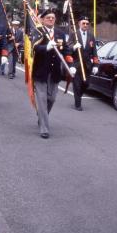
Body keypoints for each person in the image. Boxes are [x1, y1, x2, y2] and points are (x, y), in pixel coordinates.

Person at [32, 8, 74, 139]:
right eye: (48, 18)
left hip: (55, 72)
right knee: (42, 99)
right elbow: (33, 48)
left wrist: (70, 66)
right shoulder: (37, 32)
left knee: (52, 99)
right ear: (43, 20)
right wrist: (46, 47)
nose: (51, 19)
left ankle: (42, 117)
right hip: (40, 71)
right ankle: (44, 128)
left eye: (53, 18)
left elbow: (66, 50)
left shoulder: (60, 34)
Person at [68, 15, 99, 111]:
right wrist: (74, 46)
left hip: (87, 65)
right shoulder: (74, 34)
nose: (85, 25)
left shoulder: (91, 36)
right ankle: (78, 104)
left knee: (86, 84)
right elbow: (68, 47)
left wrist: (96, 65)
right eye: (83, 23)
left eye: (87, 23)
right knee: (77, 85)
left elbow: (94, 51)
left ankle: (79, 96)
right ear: (79, 24)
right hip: (76, 64)